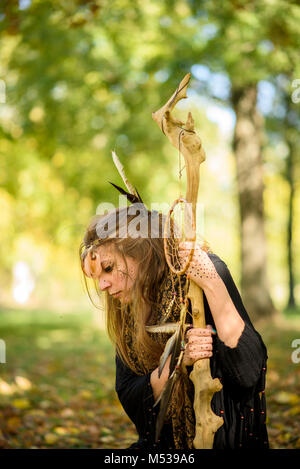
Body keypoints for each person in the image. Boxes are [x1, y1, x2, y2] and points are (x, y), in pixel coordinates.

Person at [80, 204, 269, 449]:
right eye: (97, 277)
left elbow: (249, 373)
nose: (103, 285)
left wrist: (211, 282)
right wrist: (176, 361)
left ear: (141, 252)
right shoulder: (127, 307)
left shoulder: (202, 274)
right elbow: (131, 398)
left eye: (108, 268)